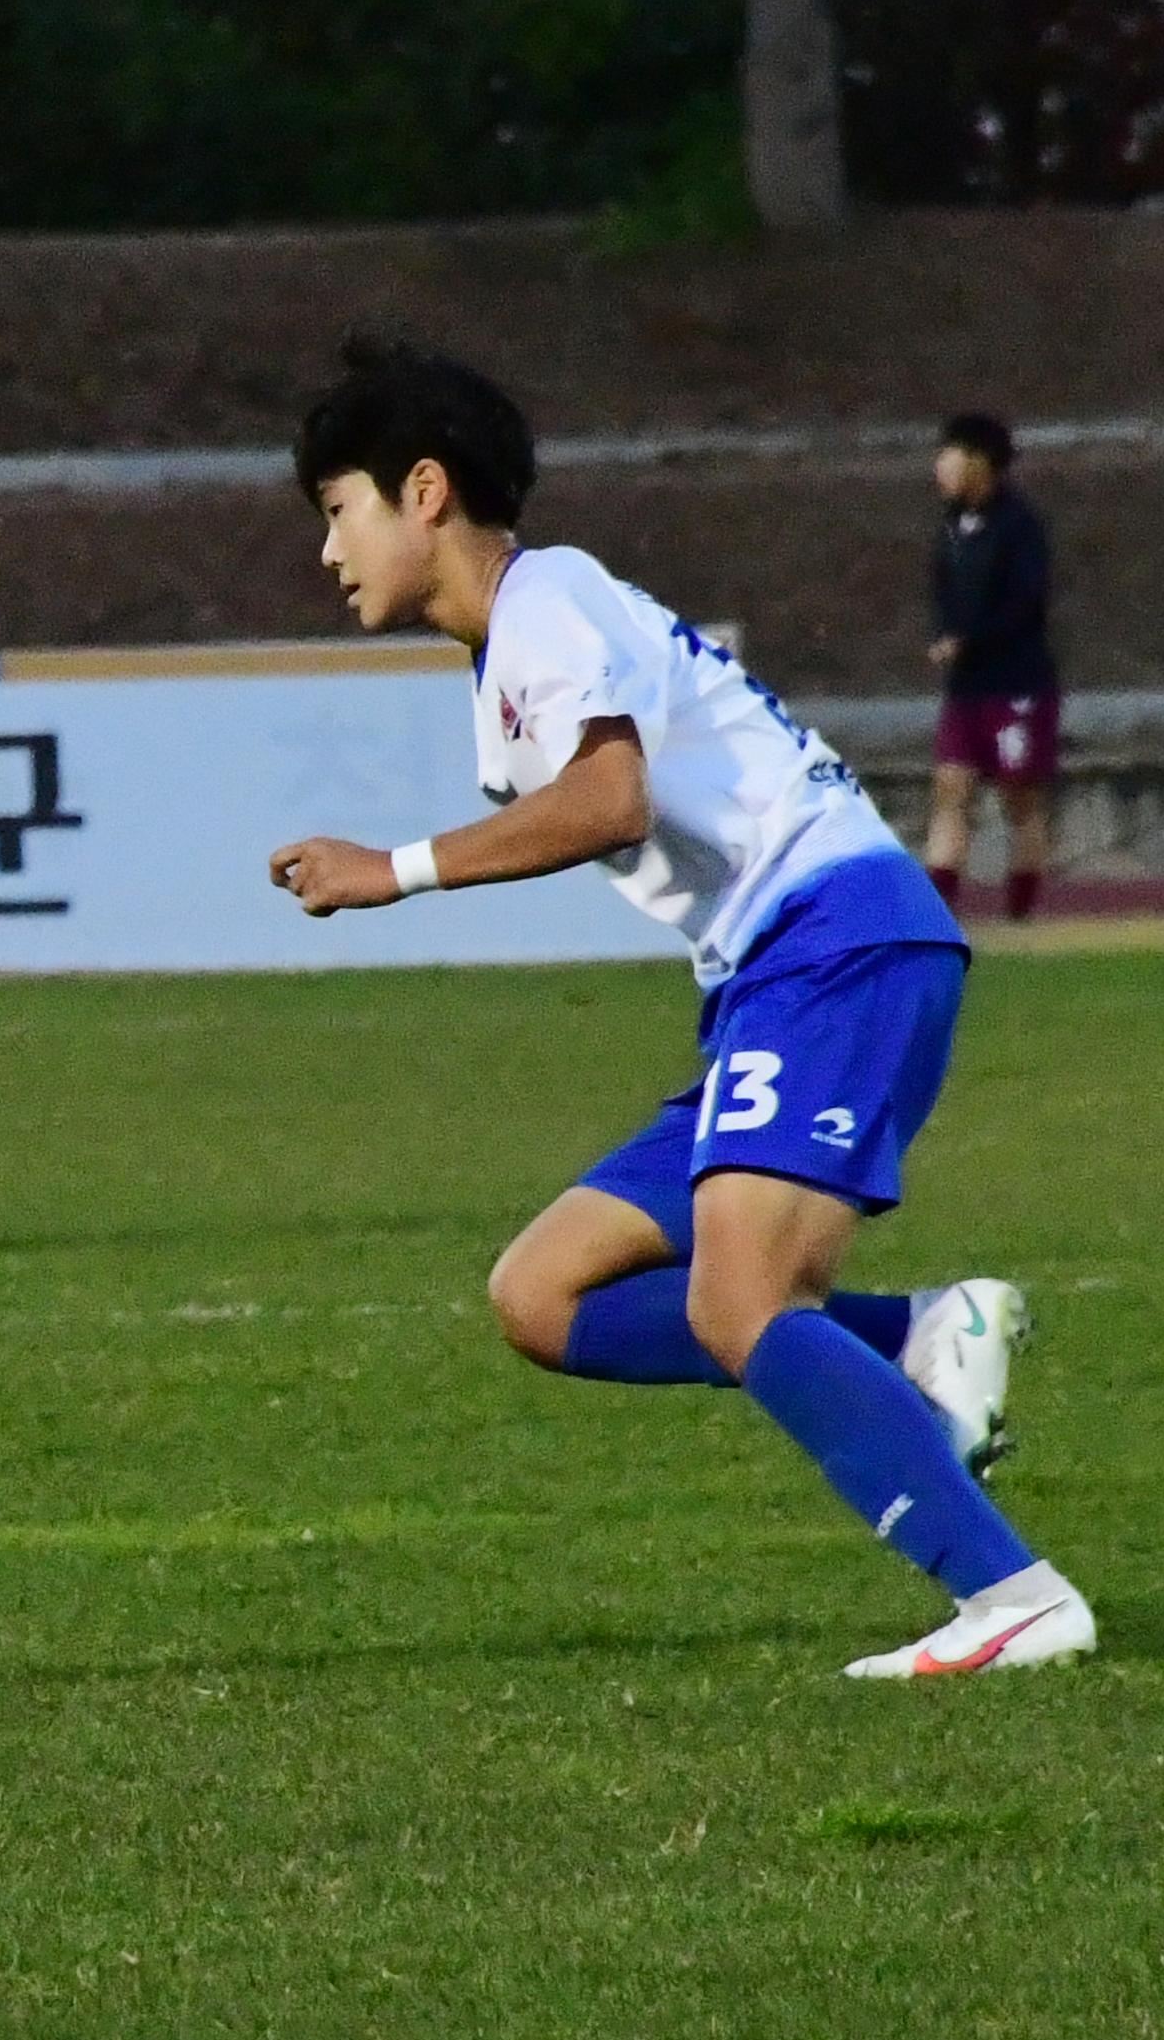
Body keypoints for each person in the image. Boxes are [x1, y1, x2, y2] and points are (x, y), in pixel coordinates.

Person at [262, 341, 1093, 1681]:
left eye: (338, 511)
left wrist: (391, 871)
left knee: (741, 1298)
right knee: (542, 1295)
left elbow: (609, 803)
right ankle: (933, 1330)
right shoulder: (520, 645)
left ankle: (1010, 1594)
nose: (329, 553)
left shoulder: (545, 604)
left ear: (424, 492)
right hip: (773, 974)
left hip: (834, 939)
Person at [922, 412, 1064, 922]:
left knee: (1018, 798)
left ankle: (1021, 911)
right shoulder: (952, 525)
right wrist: (942, 635)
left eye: (950, 454)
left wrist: (969, 639)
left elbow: (1027, 602)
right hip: (966, 686)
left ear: (980, 461)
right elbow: (943, 591)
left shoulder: (1020, 526)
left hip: (1016, 684)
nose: (941, 466)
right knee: (951, 788)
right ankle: (935, 910)